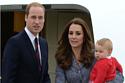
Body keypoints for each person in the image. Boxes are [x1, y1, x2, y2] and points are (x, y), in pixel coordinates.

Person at [2, 2, 51, 83]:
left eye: (40, 17)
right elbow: (7, 78)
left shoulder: (43, 44)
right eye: (33, 17)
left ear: (44, 19)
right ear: (26, 17)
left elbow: (45, 75)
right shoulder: (14, 43)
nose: (37, 22)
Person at [55, 17, 95, 83]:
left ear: (84, 37)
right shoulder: (62, 57)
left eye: (78, 33)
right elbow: (59, 80)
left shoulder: (95, 55)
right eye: (71, 33)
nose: (73, 37)